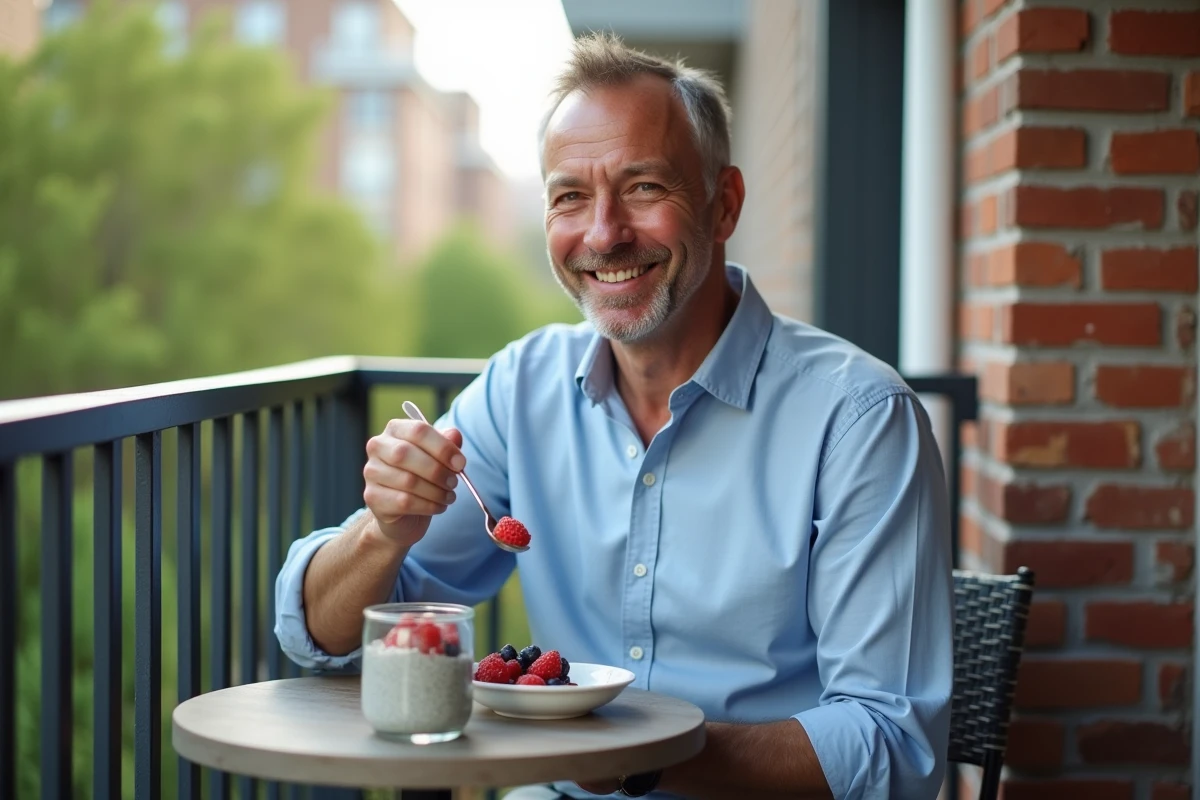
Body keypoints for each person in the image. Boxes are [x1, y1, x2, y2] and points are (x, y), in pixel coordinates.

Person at [276, 32, 953, 800]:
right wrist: (383, 531)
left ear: (723, 203)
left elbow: (892, 747)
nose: (602, 234)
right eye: (569, 196)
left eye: (642, 188)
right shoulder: (517, 391)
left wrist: (637, 753)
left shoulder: (859, 419)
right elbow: (328, 639)